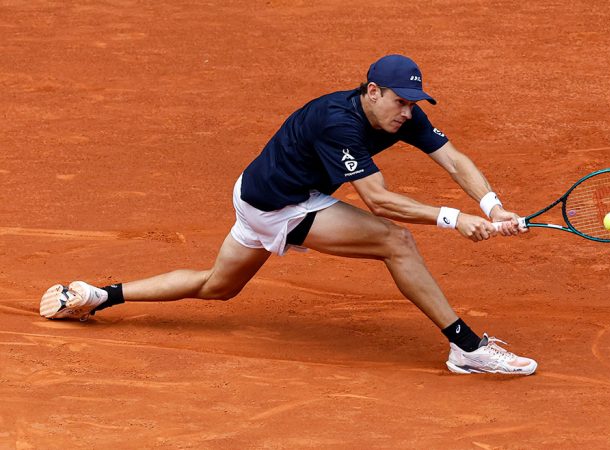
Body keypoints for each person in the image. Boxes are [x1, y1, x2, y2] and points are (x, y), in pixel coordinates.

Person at [39, 54, 537, 375]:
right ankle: (465, 347)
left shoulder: (403, 112)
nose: (408, 112)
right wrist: (455, 219)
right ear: (371, 91)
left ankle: (99, 296)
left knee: (218, 286)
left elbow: (452, 158)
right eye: (400, 102)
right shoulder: (338, 124)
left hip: (256, 194)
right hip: (282, 205)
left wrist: (491, 206)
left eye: (414, 103)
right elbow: (379, 200)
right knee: (395, 240)